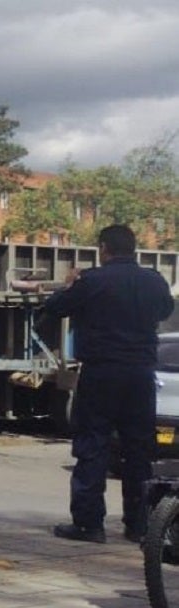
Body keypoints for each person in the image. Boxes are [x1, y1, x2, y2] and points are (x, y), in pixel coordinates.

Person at [41, 223, 175, 543]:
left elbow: (55, 308)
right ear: (134, 248)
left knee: (93, 444)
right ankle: (139, 524)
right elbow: (166, 309)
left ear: (104, 248)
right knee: (139, 449)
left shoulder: (92, 281)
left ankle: (89, 524)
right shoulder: (154, 281)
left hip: (101, 373)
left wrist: (69, 285)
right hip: (141, 375)